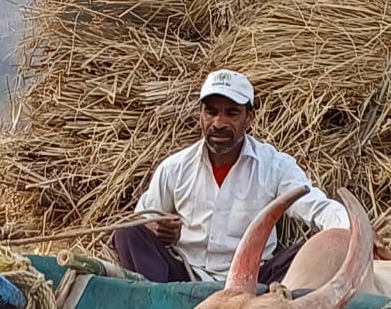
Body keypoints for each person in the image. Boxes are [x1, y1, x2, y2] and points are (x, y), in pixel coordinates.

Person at [114, 69, 349, 289]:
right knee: (127, 233)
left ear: (249, 118)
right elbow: (143, 219)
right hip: (185, 277)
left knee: (312, 251)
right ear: (201, 115)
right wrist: (157, 229)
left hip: (254, 281)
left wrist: (354, 233)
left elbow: (317, 207)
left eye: (232, 113)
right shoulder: (175, 168)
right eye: (211, 111)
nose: (219, 123)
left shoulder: (274, 166)